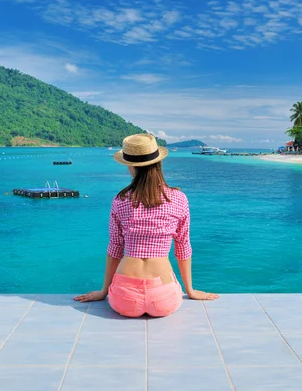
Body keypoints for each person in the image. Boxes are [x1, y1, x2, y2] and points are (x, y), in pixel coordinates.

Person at [74, 133, 219, 317]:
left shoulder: (120, 200)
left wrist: (104, 291)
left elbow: (115, 248)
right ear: (158, 163)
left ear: (131, 166)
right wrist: (190, 290)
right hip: (163, 296)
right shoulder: (178, 199)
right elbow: (183, 247)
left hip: (123, 297)